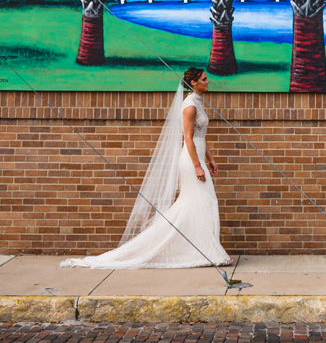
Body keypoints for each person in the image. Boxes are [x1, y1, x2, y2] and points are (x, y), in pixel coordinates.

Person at [61, 67, 231, 269]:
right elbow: (187, 138)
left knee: (198, 204)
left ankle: (207, 250)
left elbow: (200, 136)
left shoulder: (197, 103)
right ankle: (210, 252)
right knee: (205, 202)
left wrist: (210, 159)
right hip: (191, 161)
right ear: (193, 82)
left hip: (199, 158)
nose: (208, 81)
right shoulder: (190, 106)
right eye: (204, 79)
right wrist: (197, 165)